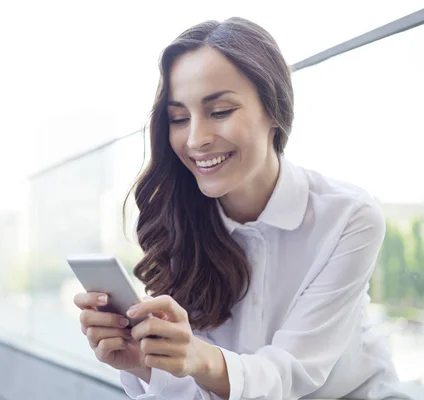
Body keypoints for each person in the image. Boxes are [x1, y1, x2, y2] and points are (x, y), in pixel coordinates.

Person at [73, 17, 411, 400]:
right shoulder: (181, 222)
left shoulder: (348, 216)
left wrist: (201, 358)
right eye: (179, 118)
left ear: (274, 109)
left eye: (219, 112)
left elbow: (291, 372)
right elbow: (206, 388)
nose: (197, 139)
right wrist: (141, 362)